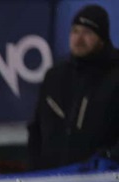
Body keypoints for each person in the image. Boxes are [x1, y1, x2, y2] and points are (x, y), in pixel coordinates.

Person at [27, 4, 119, 170]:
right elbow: (36, 131)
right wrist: (37, 170)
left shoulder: (115, 76)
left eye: (87, 33)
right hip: (53, 181)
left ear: (102, 38)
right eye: (75, 31)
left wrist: (108, 159)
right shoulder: (55, 76)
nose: (78, 39)